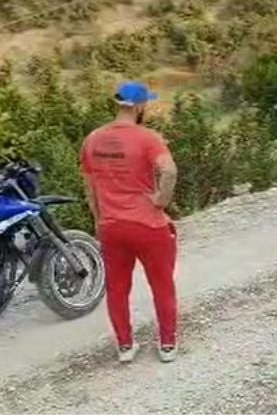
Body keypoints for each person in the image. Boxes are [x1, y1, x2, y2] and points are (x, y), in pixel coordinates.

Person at [80, 82, 180, 364]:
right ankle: (167, 345)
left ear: (118, 104)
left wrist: (100, 222)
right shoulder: (148, 138)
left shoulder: (93, 139)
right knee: (162, 285)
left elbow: (90, 189)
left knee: (117, 289)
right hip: (148, 226)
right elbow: (169, 171)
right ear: (138, 106)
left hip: (112, 226)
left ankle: (125, 346)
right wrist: (160, 200)